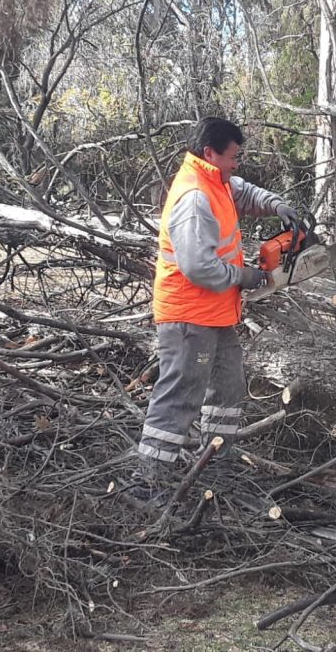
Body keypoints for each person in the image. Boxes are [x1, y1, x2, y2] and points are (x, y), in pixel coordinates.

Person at [132, 117, 298, 495]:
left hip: (216, 314)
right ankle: (147, 481)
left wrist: (279, 206)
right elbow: (198, 267)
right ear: (210, 153)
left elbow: (243, 191)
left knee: (227, 387)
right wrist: (245, 277)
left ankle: (217, 466)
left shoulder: (215, 180)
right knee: (180, 395)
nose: (237, 163)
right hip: (190, 316)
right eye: (233, 156)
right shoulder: (195, 197)